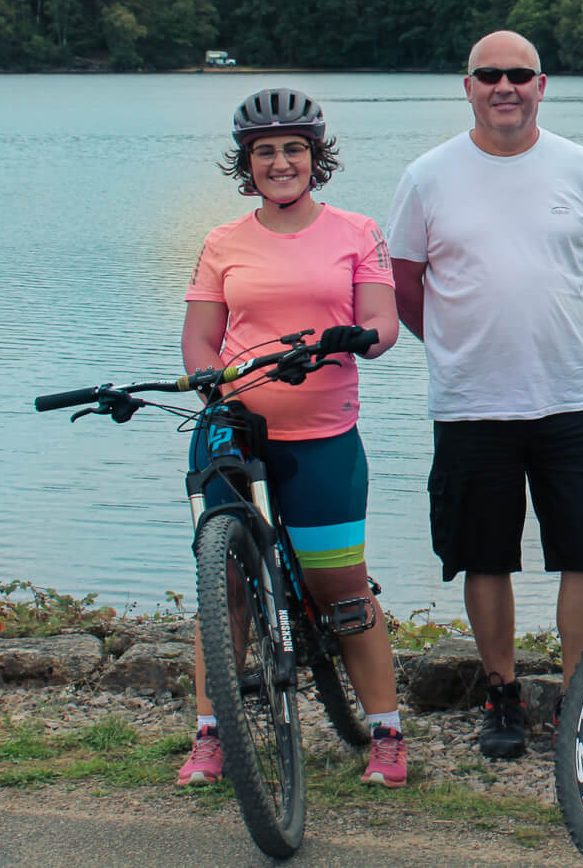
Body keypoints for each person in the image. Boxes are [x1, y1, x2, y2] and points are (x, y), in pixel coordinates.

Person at [387, 32, 583, 767]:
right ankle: (501, 695)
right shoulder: (428, 176)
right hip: (469, 403)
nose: (505, 87)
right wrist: (461, 348)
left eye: (519, 74)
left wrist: (556, 339)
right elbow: (403, 283)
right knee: (483, 555)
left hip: (570, 397)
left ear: (542, 85)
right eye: (489, 74)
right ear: (467, 86)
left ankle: (578, 702)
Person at [178, 88, 407, 790]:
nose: (281, 162)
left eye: (294, 149)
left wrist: (358, 336)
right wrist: (206, 378)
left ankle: (387, 733)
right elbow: (199, 338)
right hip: (233, 434)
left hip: (322, 437)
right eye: (266, 151)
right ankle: (211, 735)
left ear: (316, 157)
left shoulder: (357, 231)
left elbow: (384, 324)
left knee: (340, 589)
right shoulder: (222, 241)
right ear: (247, 163)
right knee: (227, 588)